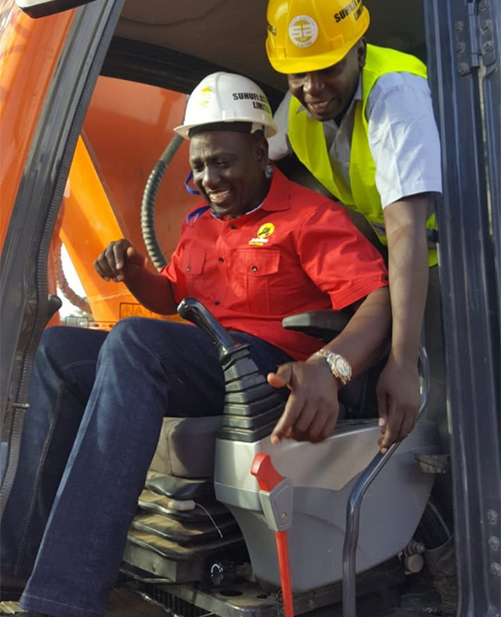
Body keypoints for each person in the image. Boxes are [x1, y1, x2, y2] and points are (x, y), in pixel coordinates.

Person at [1, 72, 391, 616]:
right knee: (58, 351)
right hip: (209, 357)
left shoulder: (309, 217)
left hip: (266, 369)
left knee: (135, 342)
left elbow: (378, 299)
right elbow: (171, 295)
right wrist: (135, 271)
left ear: (260, 152)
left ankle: (65, 596)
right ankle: (16, 562)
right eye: (200, 166)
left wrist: (331, 367)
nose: (210, 178)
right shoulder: (202, 224)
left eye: (223, 162)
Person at [265, 0, 443, 453]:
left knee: (445, 407)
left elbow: (404, 228)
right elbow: (256, 154)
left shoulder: (395, 91)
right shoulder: (299, 105)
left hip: (461, 252)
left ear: (359, 51)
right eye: (298, 74)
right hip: (400, 255)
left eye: (328, 68)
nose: (312, 87)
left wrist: (402, 361)